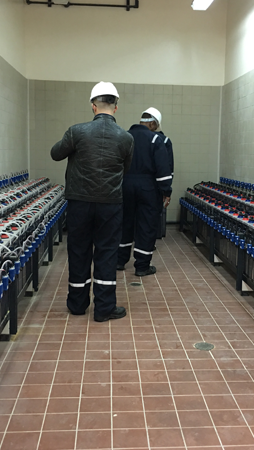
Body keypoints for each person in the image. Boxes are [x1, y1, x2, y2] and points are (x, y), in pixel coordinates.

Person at [50, 82, 134, 322]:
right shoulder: (126, 138)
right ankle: (104, 308)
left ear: (93, 106)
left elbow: (55, 153)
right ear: (116, 107)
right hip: (110, 203)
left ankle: (77, 304)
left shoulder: (77, 132)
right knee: (107, 253)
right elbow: (125, 169)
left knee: (79, 251)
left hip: (79, 201)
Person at [117, 108, 172, 276]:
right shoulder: (155, 139)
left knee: (124, 223)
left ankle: (119, 261)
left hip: (124, 185)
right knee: (146, 225)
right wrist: (166, 191)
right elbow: (163, 169)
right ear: (153, 124)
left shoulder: (124, 137)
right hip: (148, 188)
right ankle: (142, 266)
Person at [156, 127, 174, 238]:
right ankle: (153, 238)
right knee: (154, 214)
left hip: (132, 185)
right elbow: (168, 167)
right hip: (157, 186)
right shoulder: (164, 140)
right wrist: (167, 190)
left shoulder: (133, 137)